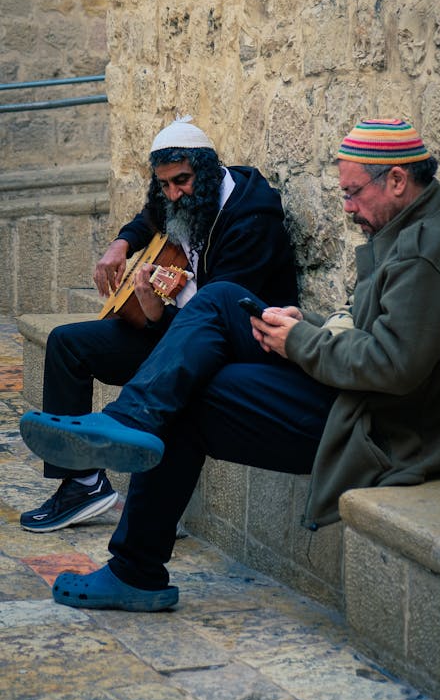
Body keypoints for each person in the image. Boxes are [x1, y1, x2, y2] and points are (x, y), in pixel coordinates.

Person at [20, 118, 440, 612]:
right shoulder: (413, 229)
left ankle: (134, 562)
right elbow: (371, 329)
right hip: (351, 396)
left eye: (354, 193)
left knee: (193, 395)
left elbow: (394, 366)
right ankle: (129, 431)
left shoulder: (429, 251)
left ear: (397, 180)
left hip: (373, 428)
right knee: (222, 300)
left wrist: (302, 343)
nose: (348, 207)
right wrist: (305, 321)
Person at [20, 115, 298, 533]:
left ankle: (142, 492)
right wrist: (121, 244)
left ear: (206, 172)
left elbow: (219, 319)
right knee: (67, 344)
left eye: (182, 181)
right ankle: (81, 484)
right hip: (182, 328)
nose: (174, 194)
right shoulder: (178, 198)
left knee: (181, 365)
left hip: (237, 342)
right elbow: (149, 216)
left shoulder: (251, 220)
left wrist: (157, 314)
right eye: (165, 184)